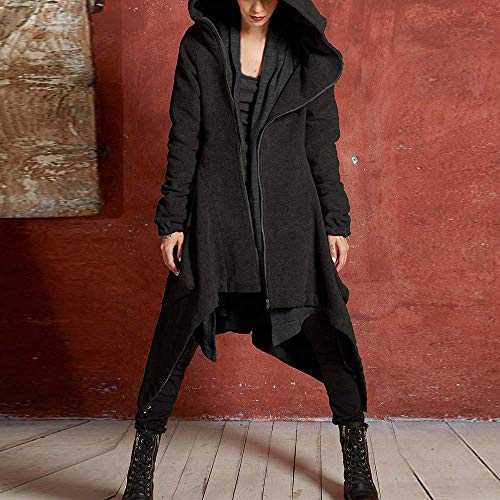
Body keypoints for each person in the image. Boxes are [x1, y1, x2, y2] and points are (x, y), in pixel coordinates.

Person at [122, 0, 379, 499]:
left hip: (290, 219)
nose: (258, 5)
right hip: (216, 216)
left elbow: (320, 143)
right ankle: (139, 473)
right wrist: (172, 219)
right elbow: (184, 137)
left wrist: (335, 220)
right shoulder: (201, 45)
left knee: (327, 332)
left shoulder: (305, 50)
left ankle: (357, 465)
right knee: (178, 333)